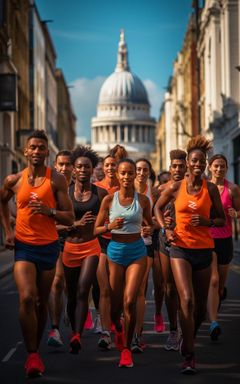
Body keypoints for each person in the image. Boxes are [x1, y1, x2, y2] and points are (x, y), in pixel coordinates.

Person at [0, 130, 74, 378]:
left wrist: (49, 211)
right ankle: (32, 354)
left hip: (49, 247)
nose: (37, 151)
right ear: (25, 151)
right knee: (27, 298)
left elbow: (70, 217)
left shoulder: (57, 180)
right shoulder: (14, 180)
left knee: (42, 302)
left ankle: (36, 347)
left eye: (41, 148)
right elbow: (2, 200)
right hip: (24, 247)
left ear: (47, 152)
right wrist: (8, 232)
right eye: (33, 147)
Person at [154, 135, 225, 374]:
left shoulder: (211, 188)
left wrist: (206, 221)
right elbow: (157, 207)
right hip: (180, 249)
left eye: (200, 161)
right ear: (188, 162)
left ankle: (188, 338)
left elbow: (220, 219)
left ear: (204, 164)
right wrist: (166, 229)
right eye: (193, 161)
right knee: (186, 299)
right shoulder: (175, 187)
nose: (197, 165)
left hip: (204, 250)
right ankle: (189, 355)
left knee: (200, 310)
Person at [95, 158, 153, 368]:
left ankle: (127, 350)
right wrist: (109, 226)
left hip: (137, 252)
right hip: (115, 253)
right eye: (123, 173)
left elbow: (150, 223)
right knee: (115, 304)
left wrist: (149, 229)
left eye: (131, 173)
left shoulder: (143, 200)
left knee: (130, 300)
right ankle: (118, 330)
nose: (127, 177)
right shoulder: (109, 200)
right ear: (117, 175)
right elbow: (95, 230)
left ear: (134, 175)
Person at [62, 146, 107, 354]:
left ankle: (77, 336)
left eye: (87, 167)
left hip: (91, 246)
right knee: (71, 295)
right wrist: (74, 225)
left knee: (83, 289)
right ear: (73, 168)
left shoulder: (101, 193)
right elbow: (53, 224)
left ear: (92, 169)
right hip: (70, 247)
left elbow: (110, 220)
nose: (82, 170)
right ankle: (74, 328)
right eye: (79, 166)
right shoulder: (65, 192)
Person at [207, 154, 240, 340]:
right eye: (216, 166)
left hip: (225, 240)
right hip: (207, 240)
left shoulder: (233, 188)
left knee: (219, 286)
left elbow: (239, 211)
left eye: (222, 166)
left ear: (226, 168)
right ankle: (214, 322)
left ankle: (216, 300)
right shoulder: (203, 187)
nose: (219, 169)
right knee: (213, 280)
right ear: (210, 167)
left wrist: (236, 214)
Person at [157, 150, 187, 351]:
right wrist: (162, 225)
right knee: (169, 287)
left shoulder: (193, 188)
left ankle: (187, 328)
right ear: (170, 168)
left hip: (186, 241)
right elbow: (153, 212)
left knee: (186, 291)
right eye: (174, 166)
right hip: (165, 240)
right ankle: (174, 330)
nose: (177, 169)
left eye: (180, 166)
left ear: (186, 168)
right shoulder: (160, 189)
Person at [94, 150, 124, 349]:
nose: (110, 168)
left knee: (117, 290)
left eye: (114, 165)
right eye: (107, 165)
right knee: (104, 289)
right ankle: (105, 332)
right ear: (103, 167)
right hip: (101, 242)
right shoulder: (96, 188)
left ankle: (117, 321)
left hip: (122, 241)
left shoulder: (125, 187)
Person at [131, 158, 162, 352]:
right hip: (125, 244)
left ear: (149, 173)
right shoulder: (122, 188)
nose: (142, 173)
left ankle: (137, 335)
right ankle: (121, 327)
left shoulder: (154, 192)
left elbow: (157, 222)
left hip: (146, 244)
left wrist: (150, 228)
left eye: (145, 170)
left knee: (140, 290)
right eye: (139, 169)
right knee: (126, 292)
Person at [47, 150, 73, 347]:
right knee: (57, 281)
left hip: (78, 241)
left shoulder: (80, 188)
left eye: (68, 164)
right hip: (56, 239)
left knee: (72, 285)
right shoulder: (51, 187)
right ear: (55, 165)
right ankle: (54, 329)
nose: (64, 168)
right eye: (61, 164)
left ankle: (70, 310)